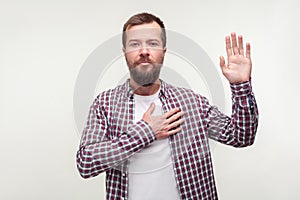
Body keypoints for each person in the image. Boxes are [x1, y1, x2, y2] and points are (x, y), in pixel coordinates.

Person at [76, 12, 259, 200]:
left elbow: (241, 136)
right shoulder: (105, 104)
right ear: (124, 52)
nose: (144, 51)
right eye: (135, 44)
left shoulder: (192, 102)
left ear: (163, 50)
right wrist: (145, 132)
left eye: (152, 43)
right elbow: (85, 164)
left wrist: (240, 86)